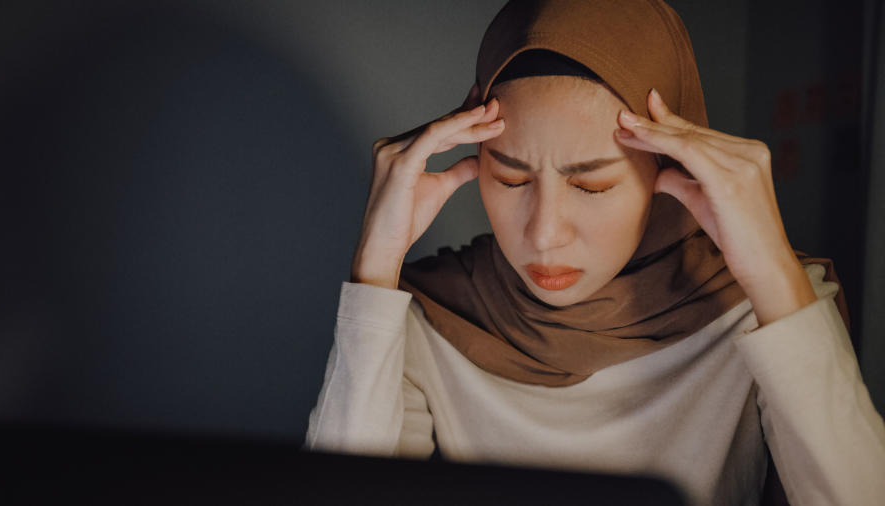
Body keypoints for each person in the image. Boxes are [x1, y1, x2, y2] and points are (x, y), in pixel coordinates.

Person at [303, 1, 885, 505]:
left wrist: (773, 279)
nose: (545, 234)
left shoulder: (762, 308)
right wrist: (374, 276)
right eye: (508, 178)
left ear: (669, 168)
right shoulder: (431, 316)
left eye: (592, 185)